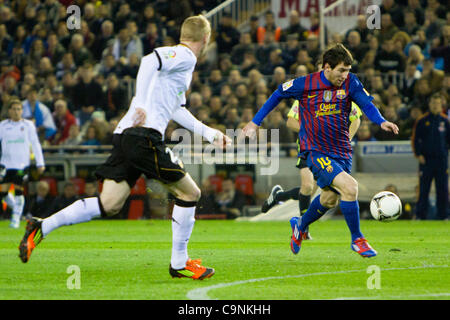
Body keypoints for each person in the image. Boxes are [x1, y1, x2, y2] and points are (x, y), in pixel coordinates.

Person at [19, 15, 231, 281]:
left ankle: (41, 226)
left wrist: (209, 133)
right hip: (143, 136)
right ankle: (179, 263)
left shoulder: (180, 69)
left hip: (126, 135)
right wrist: (141, 102)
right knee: (190, 193)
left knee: (110, 203)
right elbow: (148, 60)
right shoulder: (185, 56)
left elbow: (177, 108)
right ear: (206, 39)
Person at [242, 44, 399, 258]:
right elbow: (278, 94)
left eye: (348, 70)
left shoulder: (351, 83)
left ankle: (300, 225)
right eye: (341, 70)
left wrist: (381, 121)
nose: (345, 75)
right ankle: (358, 239)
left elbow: (366, 104)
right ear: (326, 67)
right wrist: (254, 123)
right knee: (350, 188)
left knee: (328, 199)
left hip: (342, 150)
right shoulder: (305, 84)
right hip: (316, 151)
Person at [261, 60, 363, 241]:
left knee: (322, 193)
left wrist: (348, 137)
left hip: (333, 149)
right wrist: (311, 128)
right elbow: (291, 120)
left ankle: (281, 197)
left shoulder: (342, 92)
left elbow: (356, 118)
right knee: (308, 186)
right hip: (310, 147)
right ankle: (303, 229)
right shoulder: (307, 92)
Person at [0, 99, 45, 228]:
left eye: (18, 109)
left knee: (19, 190)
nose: (16, 112)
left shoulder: (28, 125)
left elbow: (35, 144)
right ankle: (19, 211)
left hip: (22, 164)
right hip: (5, 164)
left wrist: (40, 163)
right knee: (3, 193)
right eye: (13, 109)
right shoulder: (3, 126)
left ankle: (15, 219)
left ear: (22, 111)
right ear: (9, 111)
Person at [411, 93, 449, 220]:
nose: (435, 106)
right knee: (423, 189)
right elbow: (415, 139)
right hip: (426, 160)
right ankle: (420, 215)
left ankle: (443, 216)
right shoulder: (422, 121)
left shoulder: (445, 121)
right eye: (433, 103)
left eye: (438, 103)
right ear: (429, 104)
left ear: (441, 105)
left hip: (441, 160)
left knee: (442, 189)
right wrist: (418, 154)